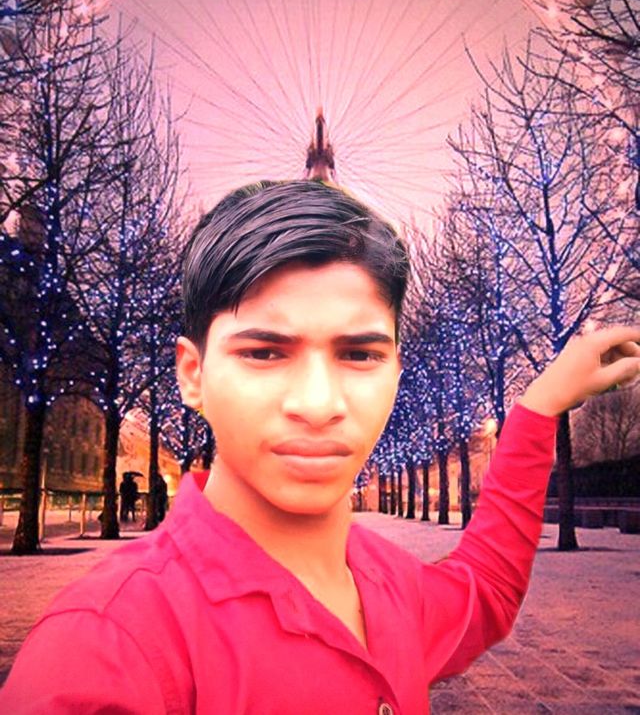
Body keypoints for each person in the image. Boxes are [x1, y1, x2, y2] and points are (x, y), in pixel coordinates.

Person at [1, 178, 639, 714]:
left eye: (359, 354)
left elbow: (486, 591)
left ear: (396, 370)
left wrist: (538, 407)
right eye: (264, 353)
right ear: (192, 374)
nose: (318, 403)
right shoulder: (103, 650)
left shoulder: (388, 581)